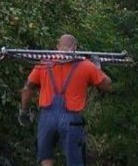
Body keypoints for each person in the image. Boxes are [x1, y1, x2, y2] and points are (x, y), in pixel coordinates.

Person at [19, 34, 112, 166]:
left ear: (57, 46)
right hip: (71, 119)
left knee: (45, 157)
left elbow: (28, 87)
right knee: (75, 160)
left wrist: (24, 110)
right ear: (75, 47)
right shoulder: (86, 65)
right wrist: (97, 68)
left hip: (47, 117)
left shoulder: (44, 63)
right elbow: (107, 86)